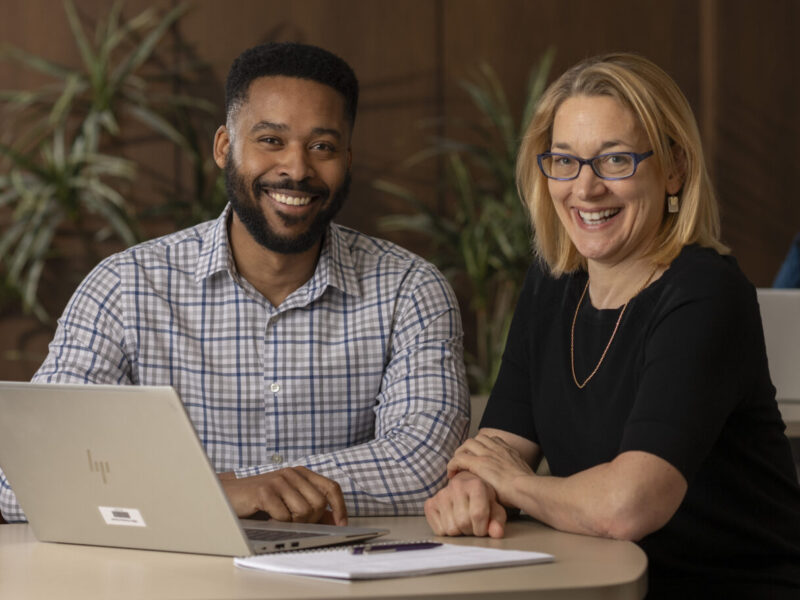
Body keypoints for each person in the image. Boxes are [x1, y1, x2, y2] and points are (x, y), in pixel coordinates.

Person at [0, 42, 469, 525]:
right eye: (271, 140)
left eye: (322, 147)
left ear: (347, 159)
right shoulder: (124, 288)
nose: (297, 168)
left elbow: (423, 464)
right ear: (225, 147)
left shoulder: (410, 289)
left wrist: (224, 490)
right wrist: (226, 493)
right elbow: (26, 477)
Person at [424, 53, 800, 597]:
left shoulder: (705, 292)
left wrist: (517, 484)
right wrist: (471, 488)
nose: (585, 188)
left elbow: (629, 507)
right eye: (565, 161)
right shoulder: (551, 283)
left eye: (615, 161)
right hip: (599, 581)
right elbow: (496, 449)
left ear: (674, 168)